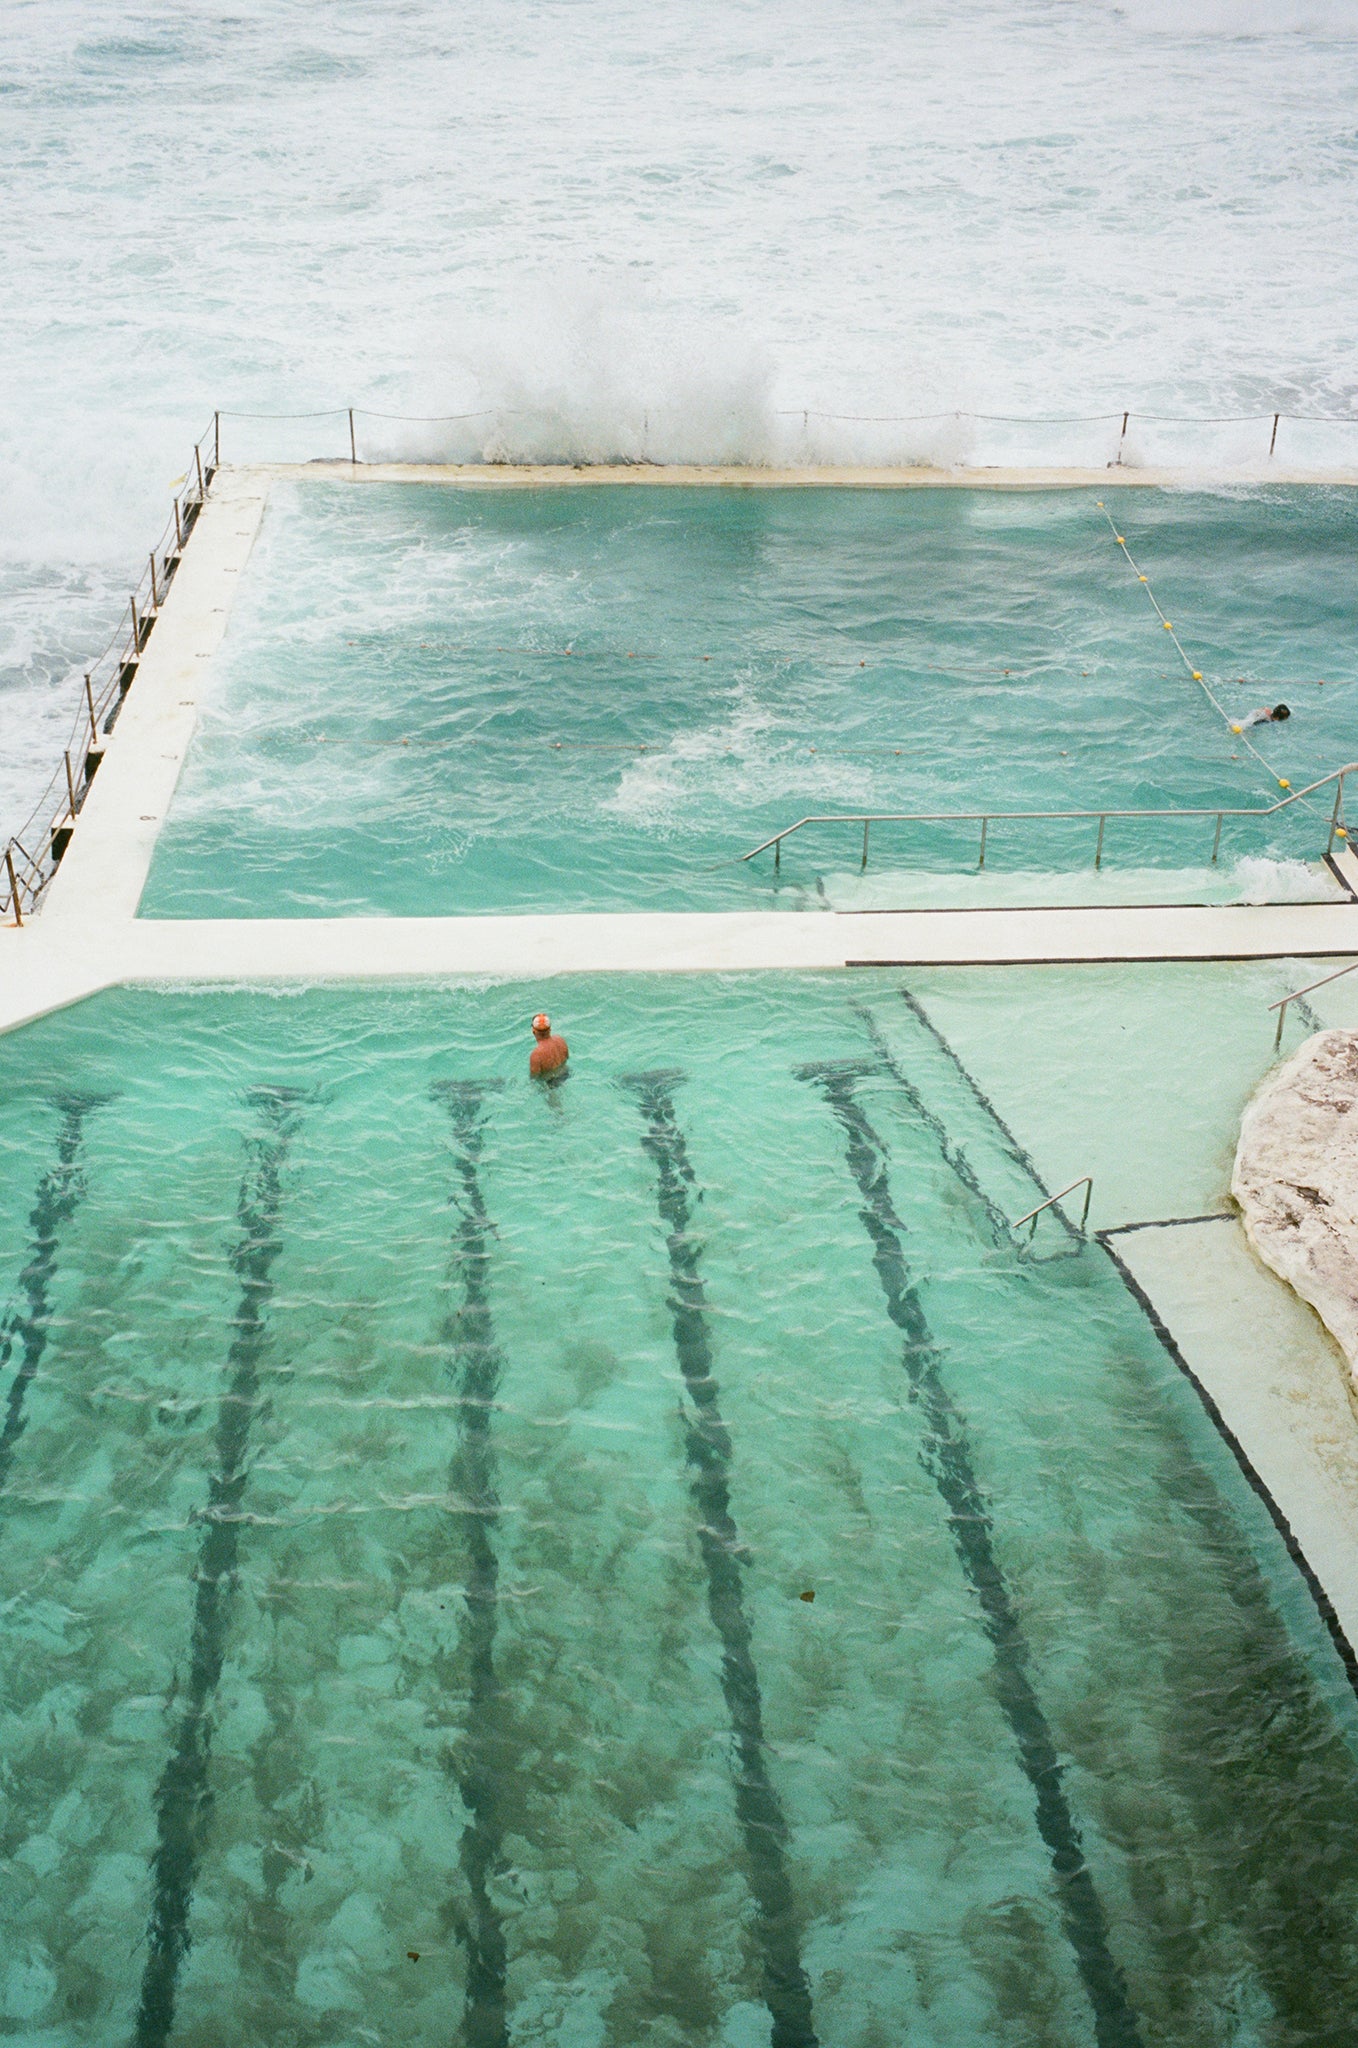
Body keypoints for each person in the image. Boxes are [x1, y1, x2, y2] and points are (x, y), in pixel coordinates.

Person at [529, 1012, 569, 1078]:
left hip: (552, 1083)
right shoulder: (561, 1040)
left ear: (533, 1031)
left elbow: (534, 1079)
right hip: (566, 1074)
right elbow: (567, 1058)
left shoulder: (536, 1055)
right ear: (550, 1029)